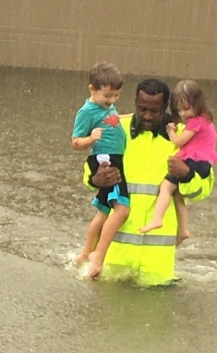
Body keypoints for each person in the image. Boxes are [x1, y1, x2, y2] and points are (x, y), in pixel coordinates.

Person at [84, 78, 215, 285]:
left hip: (157, 268)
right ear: (135, 102)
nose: (147, 115)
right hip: (114, 261)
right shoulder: (116, 127)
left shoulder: (185, 136)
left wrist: (187, 175)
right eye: (142, 109)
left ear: (167, 107)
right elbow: (90, 168)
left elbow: (203, 189)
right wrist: (95, 179)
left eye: (155, 111)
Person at [139, 80, 217, 246]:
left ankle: (157, 218)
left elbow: (177, 142)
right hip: (202, 160)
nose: (183, 114)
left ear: (197, 104)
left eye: (186, 109)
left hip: (195, 162)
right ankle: (183, 229)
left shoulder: (195, 122)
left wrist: (170, 131)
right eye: (179, 110)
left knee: (166, 187)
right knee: (176, 193)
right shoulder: (204, 119)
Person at [71, 62, 129, 277]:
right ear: (92, 90)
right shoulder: (86, 112)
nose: (112, 101)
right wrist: (90, 139)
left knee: (103, 211)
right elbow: (75, 142)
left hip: (115, 158)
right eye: (107, 96)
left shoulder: (106, 107)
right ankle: (98, 256)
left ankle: (85, 253)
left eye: (116, 96)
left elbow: (112, 121)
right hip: (106, 161)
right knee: (122, 209)